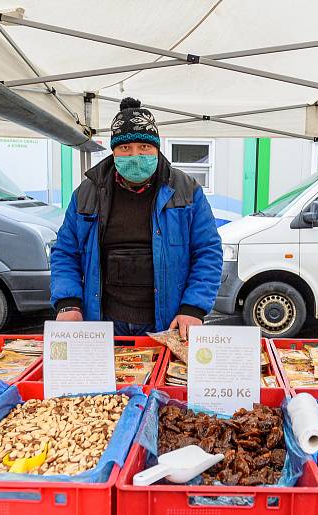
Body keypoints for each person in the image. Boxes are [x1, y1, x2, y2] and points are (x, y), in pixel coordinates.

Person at [50, 97, 222, 340]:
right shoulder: (87, 193)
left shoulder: (187, 191)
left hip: (167, 323)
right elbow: (66, 252)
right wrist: (68, 304)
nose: (135, 155)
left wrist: (193, 308)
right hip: (103, 321)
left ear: (156, 148)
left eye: (144, 147)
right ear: (113, 151)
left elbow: (208, 251)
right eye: (125, 148)